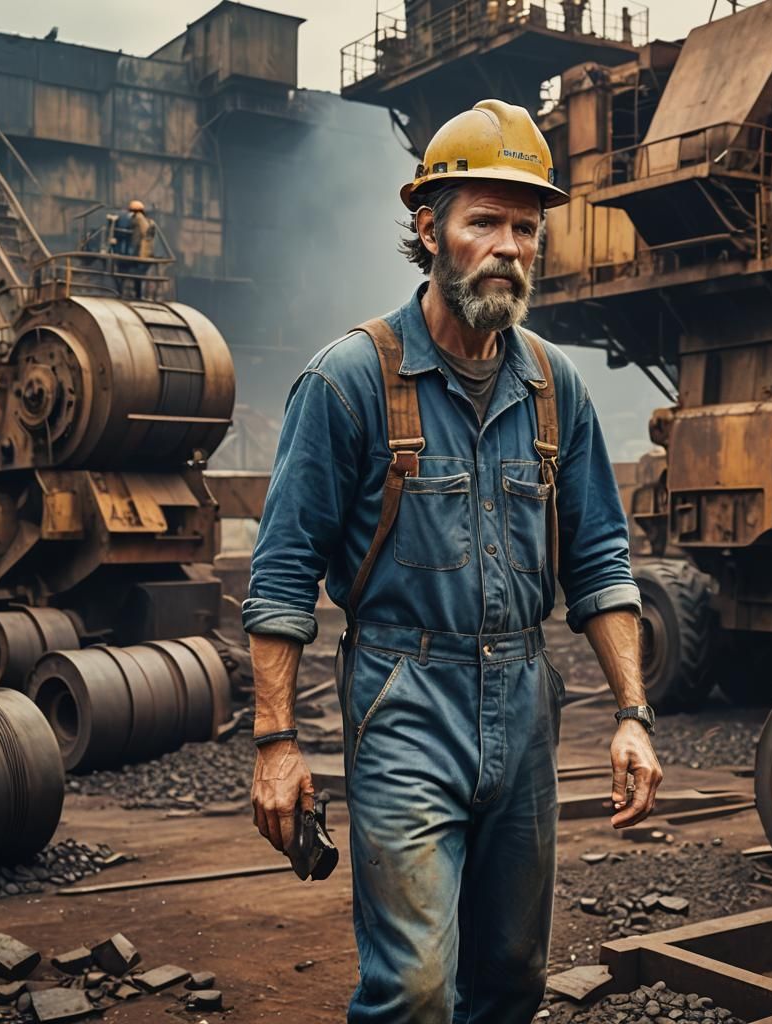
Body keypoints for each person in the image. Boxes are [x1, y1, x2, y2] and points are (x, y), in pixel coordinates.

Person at [244, 98, 663, 1024]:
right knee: (416, 989)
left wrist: (632, 714)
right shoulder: (350, 381)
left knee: (512, 975)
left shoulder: (556, 388)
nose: (509, 247)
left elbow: (600, 561)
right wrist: (277, 744)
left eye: (526, 226)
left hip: (524, 702)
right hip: (404, 700)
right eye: (484, 222)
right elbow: (279, 579)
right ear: (430, 227)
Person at [128, 199, 155, 299]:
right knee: (138, 275)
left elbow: (142, 234)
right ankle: (138, 295)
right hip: (147, 254)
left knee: (135, 274)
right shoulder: (148, 220)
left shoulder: (139, 219)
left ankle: (137, 295)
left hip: (142, 254)